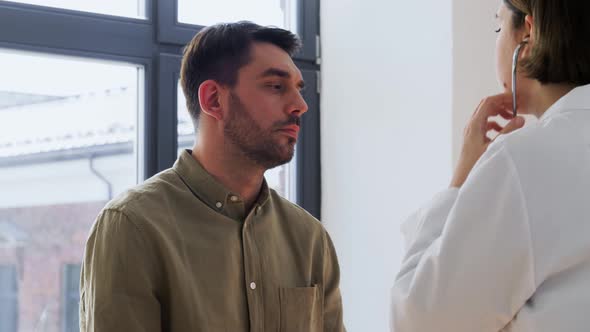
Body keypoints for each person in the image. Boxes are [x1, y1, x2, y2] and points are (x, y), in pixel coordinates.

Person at [80, 22, 344, 332]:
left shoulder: (309, 237)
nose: (300, 105)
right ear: (214, 100)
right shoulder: (133, 226)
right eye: (275, 86)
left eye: (299, 89)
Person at [391, 0, 590, 331]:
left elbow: (421, 318)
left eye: (499, 27)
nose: (496, 42)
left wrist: (461, 178)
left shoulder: (524, 160)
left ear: (528, 33)